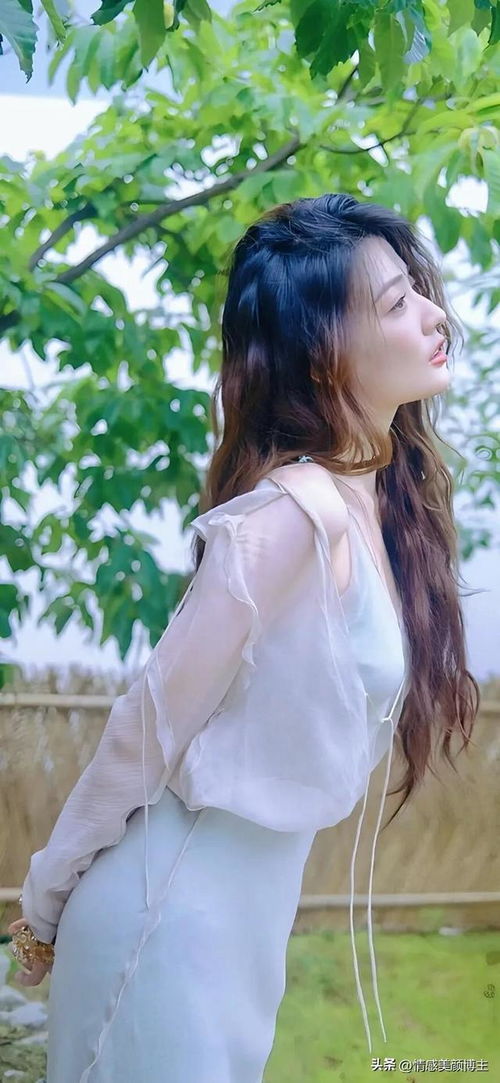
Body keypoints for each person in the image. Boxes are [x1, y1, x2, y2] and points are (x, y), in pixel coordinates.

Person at [9, 193, 480, 1082]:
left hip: (237, 929)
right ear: (320, 352)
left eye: (419, 291)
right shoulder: (286, 519)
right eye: (396, 302)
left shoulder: (373, 504)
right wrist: (42, 906)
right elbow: (144, 728)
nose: (432, 315)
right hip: (163, 922)